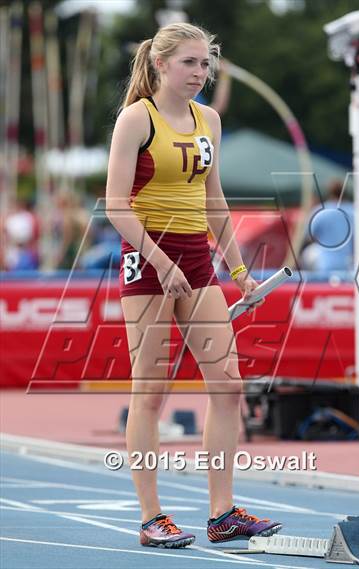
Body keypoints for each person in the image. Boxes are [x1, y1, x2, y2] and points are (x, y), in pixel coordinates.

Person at [105, 22, 282, 549]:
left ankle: (222, 512)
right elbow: (116, 205)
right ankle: (151, 516)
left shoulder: (210, 119)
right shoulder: (137, 119)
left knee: (228, 386)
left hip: (196, 260)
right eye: (189, 63)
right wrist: (159, 260)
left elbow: (214, 200)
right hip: (147, 258)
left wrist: (240, 270)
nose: (200, 73)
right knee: (151, 391)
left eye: (206, 64)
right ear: (161, 64)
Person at [300, 179, 354, 272]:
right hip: (350, 266)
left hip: (324, 264)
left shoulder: (319, 211)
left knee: (307, 254)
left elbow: (307, 237)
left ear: (329, 193)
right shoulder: (355, 210)